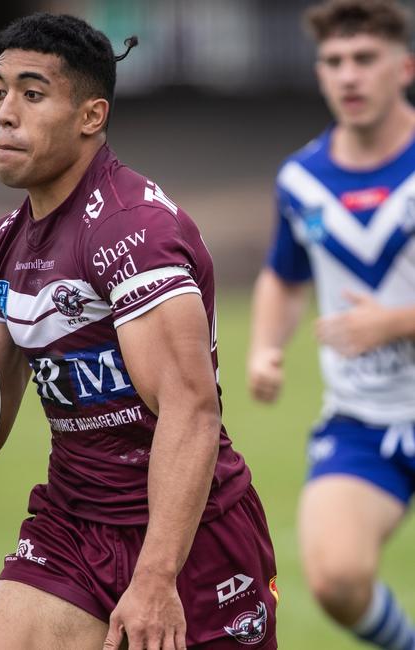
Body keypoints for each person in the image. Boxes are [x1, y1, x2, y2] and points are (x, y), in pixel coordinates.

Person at [0, 13, 278, 650]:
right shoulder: (3, 246)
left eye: (32, 93)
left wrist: (156, 577)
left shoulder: (133, 231)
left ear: (91, 116)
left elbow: (192, 409)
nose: (5, 114)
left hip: (190, 534)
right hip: (72, 523)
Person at [247, 1, 415, 647]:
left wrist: (398, 322)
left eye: (365, 59)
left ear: (404, 67)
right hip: (362, 423)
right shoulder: (302, 181)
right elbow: (284, 276)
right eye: (334, 61)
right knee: (335, 580)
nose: (349, 75)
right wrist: (266, 347)